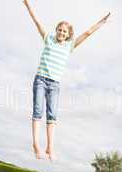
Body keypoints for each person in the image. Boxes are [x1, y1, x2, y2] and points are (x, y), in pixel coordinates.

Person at [23, 0, 110, 160]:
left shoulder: (70, 46)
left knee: (52, 115)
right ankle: (36, 144)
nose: (62, 33)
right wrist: (28, 6)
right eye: (60, 30)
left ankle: (50, 147)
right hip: (41, 80)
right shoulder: (48, 38)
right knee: (37, 111)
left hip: (54, 84)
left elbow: (88, 33)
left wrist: (101, 23)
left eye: (65, 31)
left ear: (69, 34)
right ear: (56, 30)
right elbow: (36, 22)